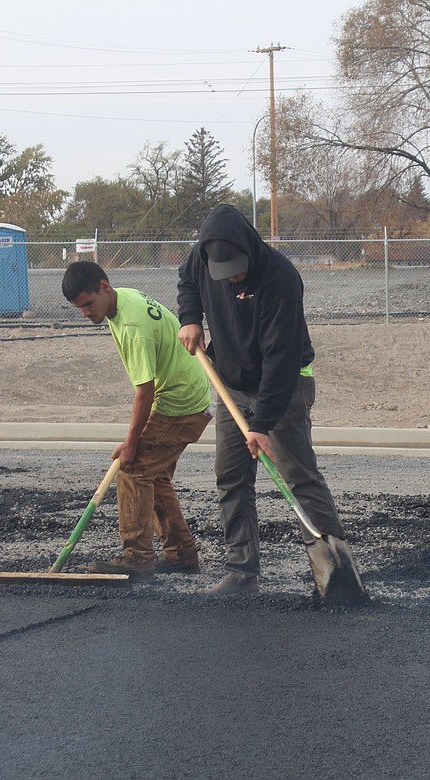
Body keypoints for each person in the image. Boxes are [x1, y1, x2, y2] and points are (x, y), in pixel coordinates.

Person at [176, 204, 350, 596]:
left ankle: (337, 574)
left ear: (250, 248)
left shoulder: (281, 278)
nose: (233, 276)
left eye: (238, 268)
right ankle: (242, 573)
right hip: (231, 386)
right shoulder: (202, 257)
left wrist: (261, 425)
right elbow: (187, 281)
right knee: (231, 477)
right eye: (225, 271)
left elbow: (281, 360)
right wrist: (190, 317)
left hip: (284, 387)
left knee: (299, 477)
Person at [62, 261, 212, 578]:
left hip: (179, 402)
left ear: (104, 287)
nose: (86, 313)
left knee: (133, 470)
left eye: (88, 304)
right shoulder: (124, 296)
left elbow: (145, 389)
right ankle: (182, 554)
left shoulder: (132, 327)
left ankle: (137, 559)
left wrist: (131, 444)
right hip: (187, 394)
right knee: (154, 476)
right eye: (79, 308)